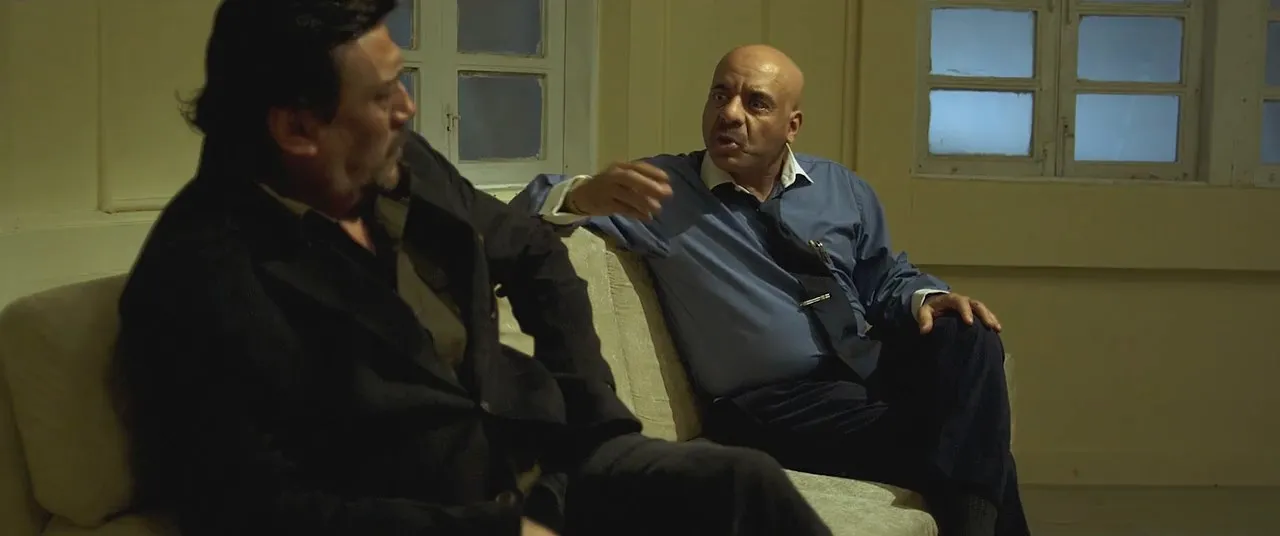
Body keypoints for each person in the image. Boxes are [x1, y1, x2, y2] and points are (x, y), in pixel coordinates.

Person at [111, 3, 833, 536]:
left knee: (743, 483)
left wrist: (598, 420)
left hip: (551, 465)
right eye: (382, 95)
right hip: (443, 515)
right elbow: (251, 513)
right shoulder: (198, 277)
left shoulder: (398, 164)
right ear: (297, 128)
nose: (408, 107)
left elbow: (535, 253)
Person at [511, 44, 1031, 536]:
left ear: (792, 125)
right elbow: (525, 207)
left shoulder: (840, 188)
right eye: (720, 95)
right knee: (973, 441)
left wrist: (927, 298)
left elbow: (885, 278)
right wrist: (581, 196)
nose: (730, 113)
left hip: (867, 373)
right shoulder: (662, 190)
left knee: (970, 334)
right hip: (772, 405)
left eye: (755, 102)